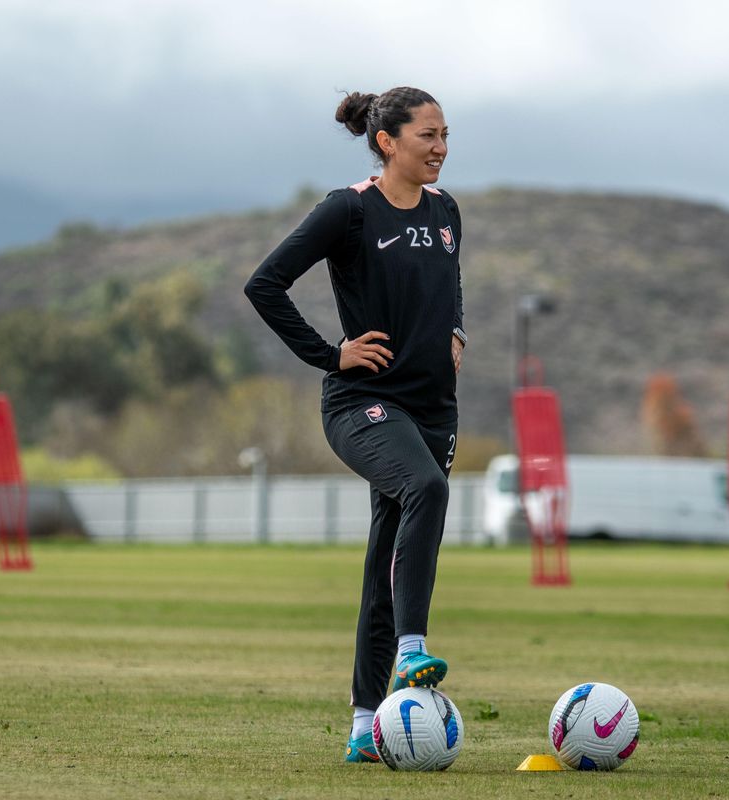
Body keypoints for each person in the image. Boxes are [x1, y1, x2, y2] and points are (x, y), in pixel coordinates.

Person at [244, 86, 466, 764]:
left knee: (384, 562)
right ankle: (412, 653)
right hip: (362, 405)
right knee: (425, 491)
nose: (441, 147)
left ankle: (367, 725)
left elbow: (447, 282)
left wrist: (456, 330)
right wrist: (329, 353)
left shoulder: (447, 210)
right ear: (386, 141)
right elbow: (265, 284)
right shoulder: (348, 208)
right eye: (427, 135)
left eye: (445, 134)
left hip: (433, 408)